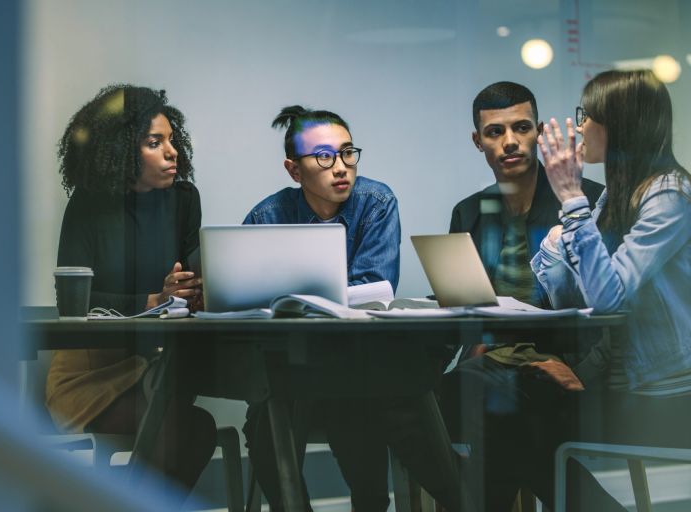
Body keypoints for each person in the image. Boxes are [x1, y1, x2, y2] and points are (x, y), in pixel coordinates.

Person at [243, 106, 469, 511]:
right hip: (295, 366)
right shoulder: (267, 216)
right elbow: (245, 297)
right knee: (266, 415)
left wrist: (297, 298)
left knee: (372, 394)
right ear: (294, 171)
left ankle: (441, 499)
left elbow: (374, 286)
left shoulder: (375, 202)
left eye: (348, 153)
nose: (341, 167)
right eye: (324, 157)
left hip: (363, 360)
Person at [438, 82, 605, 511]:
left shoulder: (584, 199)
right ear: (478, 141)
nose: (509, 141)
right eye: (495, 132)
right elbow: (460, 307)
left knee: (497, 419)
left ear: (540, 131)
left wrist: (584, 368)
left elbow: (614, 299)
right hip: (489, 372)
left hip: (561, 370)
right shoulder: (469, 212)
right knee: (492, 413)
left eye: (521, 127)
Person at [45, 85, 216, 498]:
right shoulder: (88, 204)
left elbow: (192, 276)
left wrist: (190, 289)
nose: (172, 152)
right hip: (91, 372)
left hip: (159, 360)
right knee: (178, 429)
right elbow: (74, 301)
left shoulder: (184, 199)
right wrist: (151, 302)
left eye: (172, 140)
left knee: (195, 427)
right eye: (155, 143)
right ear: (122, 151)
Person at [532, 69, 691, 510]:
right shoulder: (617, 196)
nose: (580, 126)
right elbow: (578, 303)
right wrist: (557, 242)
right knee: (512, 418)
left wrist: (569, 195)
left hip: (670, 395)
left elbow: (607, 299)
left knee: (526, 431)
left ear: (618, 124)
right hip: (624, 381)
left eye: (588, 116)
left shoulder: (670, 197)